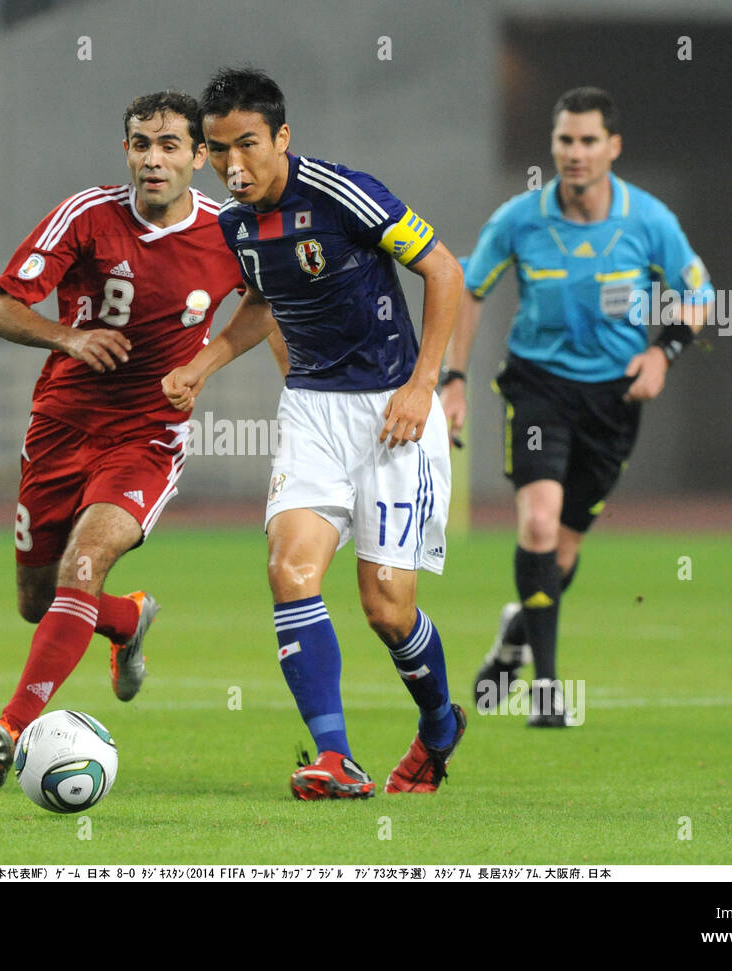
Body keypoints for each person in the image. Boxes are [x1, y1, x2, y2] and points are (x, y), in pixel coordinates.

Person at [164, 68, 467, 799]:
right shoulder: (234, 225)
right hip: (312, 413)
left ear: (282, 137)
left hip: (394, 412)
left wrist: (424, 385)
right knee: (289, 571)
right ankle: (337, 757)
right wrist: (203, 363)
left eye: (248, 145)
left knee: (385, 607)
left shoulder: (343, 193)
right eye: (218, 149)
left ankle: (437, 726)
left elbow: (444, 270)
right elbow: (263, 304)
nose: (233, 165)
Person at [0, 91, 245, 788]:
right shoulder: (86, 216)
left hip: (147, 436)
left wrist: (205, 362)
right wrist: (68, 335)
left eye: (170, 145)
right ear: (126, 149)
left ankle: (8, 725)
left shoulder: (231, 231)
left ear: (201, 158)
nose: (153, 158)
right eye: (140, 144)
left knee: (82, 566)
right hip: (61, 425)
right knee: (38, 600)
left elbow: (270, 303)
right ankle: (126, 620)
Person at [444, 87, 714, 726]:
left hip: (613, 402)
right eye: (565, 139)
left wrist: (663, 353)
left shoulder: (648, 220)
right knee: (538, 523)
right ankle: (548, 691)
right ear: (554, 144)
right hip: (538, 388)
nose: (575, 152)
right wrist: (453, 376)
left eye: (589, 140)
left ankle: (516, 632)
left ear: (613, 147)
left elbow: (700, 296)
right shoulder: (519, 218)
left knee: (561, 552)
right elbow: (467, 287)